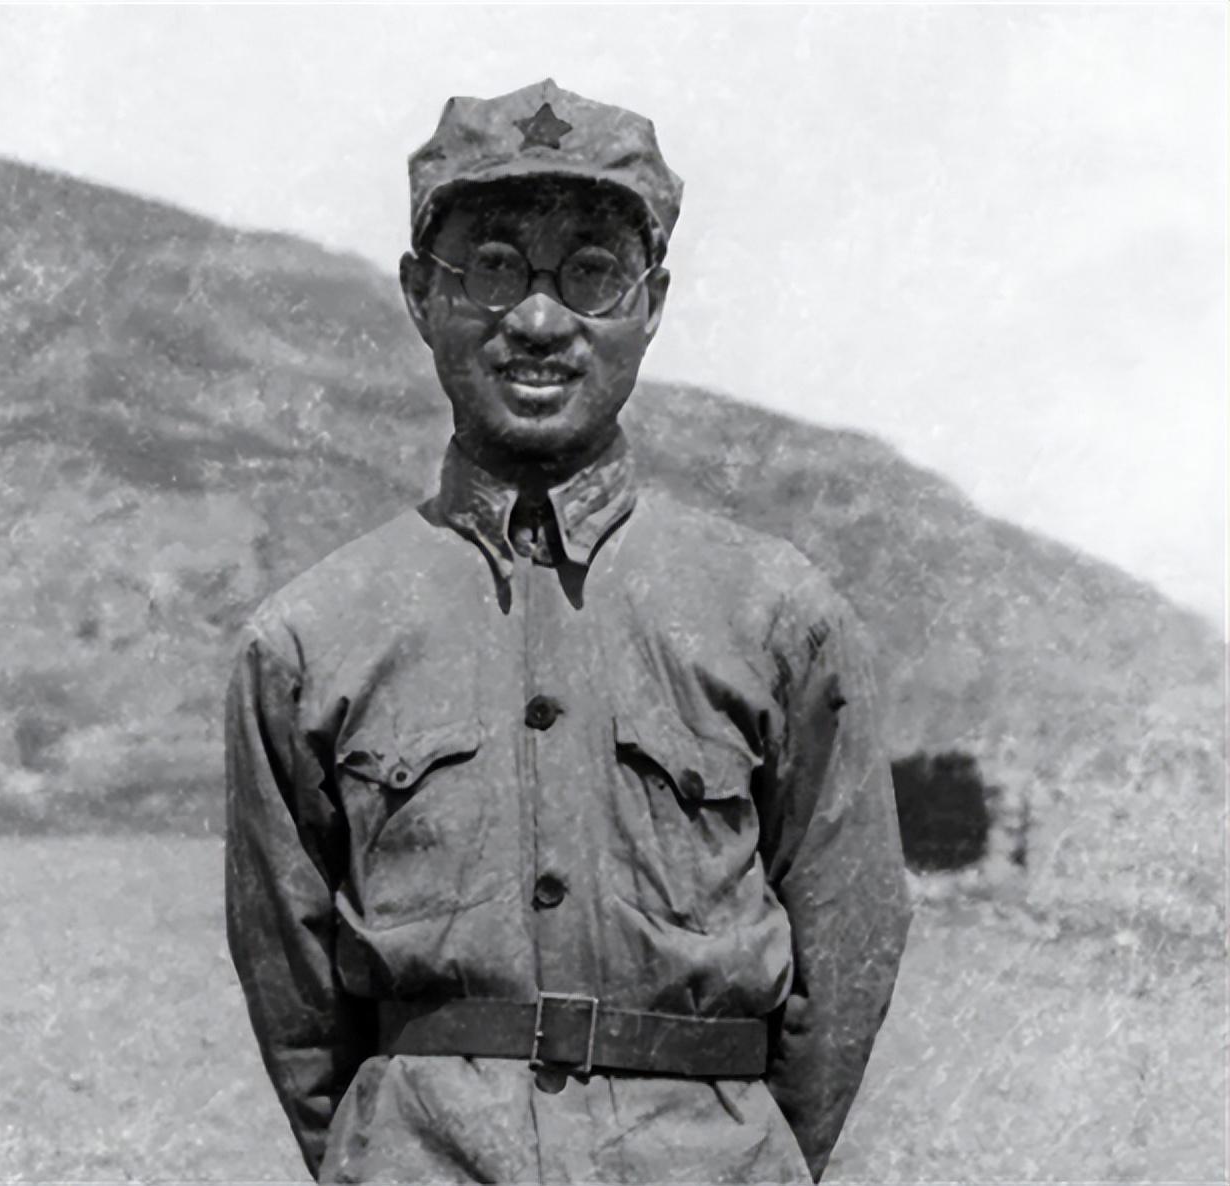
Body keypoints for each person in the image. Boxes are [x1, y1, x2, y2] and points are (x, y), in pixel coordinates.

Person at [225, 78, 912, 1185]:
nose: (539, 323)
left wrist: (735, 1150)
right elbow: (295, 998)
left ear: (651, 303)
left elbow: (850, 933)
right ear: (420, 294)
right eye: (493, 269)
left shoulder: (776, 614)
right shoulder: (309, 638)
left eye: (591, 274)